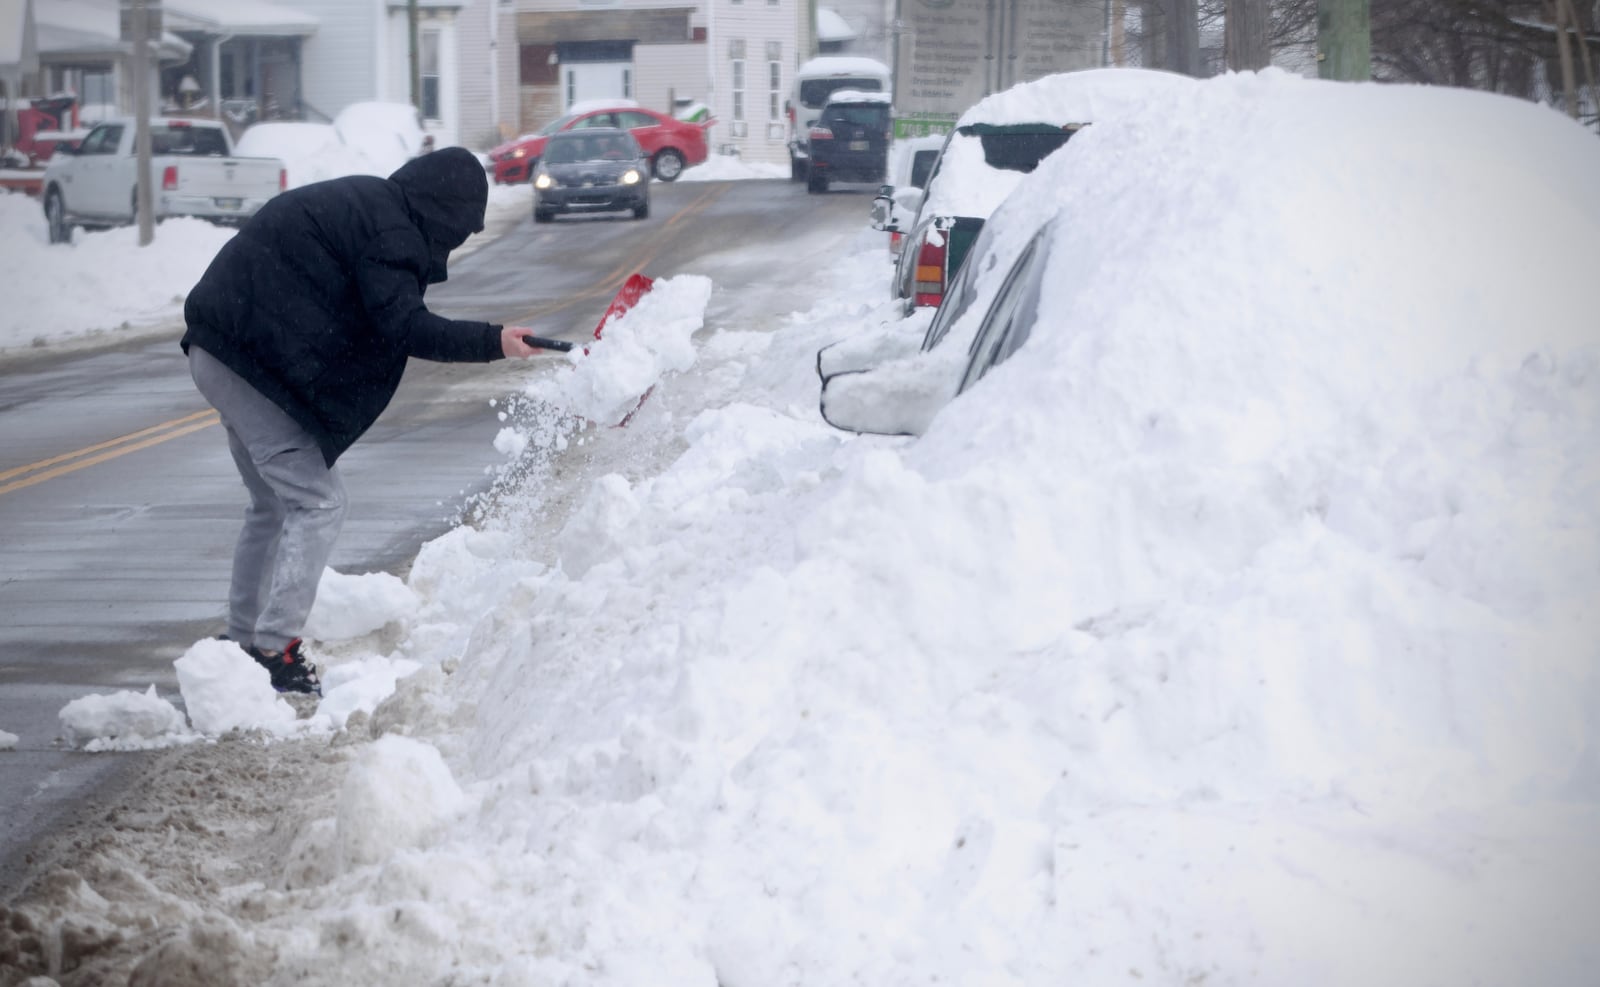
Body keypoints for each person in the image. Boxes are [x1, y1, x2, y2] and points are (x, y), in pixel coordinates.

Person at [182, 146, 549, 694]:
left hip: (219, 348)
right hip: (247, 363)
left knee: (274, 505)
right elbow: (406, 327)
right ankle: (272, 649)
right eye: (460, 230)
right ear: (445, 213)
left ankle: (242, 641)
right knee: (319, 502)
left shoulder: (372, 202)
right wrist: (494, 341)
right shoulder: (393, 235)